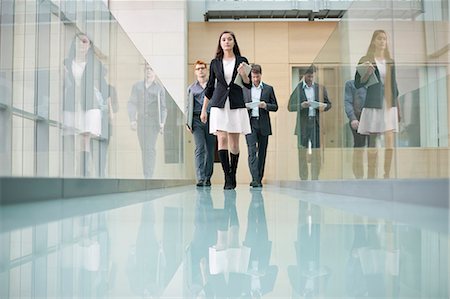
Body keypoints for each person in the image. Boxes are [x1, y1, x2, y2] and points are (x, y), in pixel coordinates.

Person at [200, 31, 252, 190]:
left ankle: (233, 173)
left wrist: (244, 75)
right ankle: (227, 176)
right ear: (220, 43)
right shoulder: (215, 63)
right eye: (223, 39)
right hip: (219, 105)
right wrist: (204, 110)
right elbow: (209, 88)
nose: (227, 41)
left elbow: (248, 85)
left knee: (234, 143)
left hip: (236, 104)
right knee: (221, 140)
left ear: (234, 42)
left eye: (229, 39)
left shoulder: (242, 61)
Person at [354, 30, 400, 179]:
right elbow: (357, 83)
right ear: (374, 41)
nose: (382, 41)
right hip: (373, 104)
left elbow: (394, 85)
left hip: (389, 105)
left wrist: (398, 107)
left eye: (384, 39)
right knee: (373, 143)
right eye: (379, 38)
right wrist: (367, 72)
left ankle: (387, 174)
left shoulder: (390, 61)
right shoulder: (366, 59)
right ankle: (371, 175)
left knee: (389, 144)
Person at [63, 33, 108, 177]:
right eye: (79, 41)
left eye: (84, 42)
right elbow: (63, 84)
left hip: (89, 104)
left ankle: (83, 172)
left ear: (89, 45)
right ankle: (72, 172)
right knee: (70, 140)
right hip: (71, 104)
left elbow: (103, 84)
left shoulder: (95, 63)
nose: (81, 44)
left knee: (85, 139)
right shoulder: (67, 62)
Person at [288, 65, 332, 180]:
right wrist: (301, 106)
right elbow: (290, 106)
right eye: (308, 76)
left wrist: (322, 106)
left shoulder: (320, 88)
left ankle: (315, 178)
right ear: (304, 76)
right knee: (302, 152)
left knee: (316, 152)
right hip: (303, 124)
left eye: (312, 76)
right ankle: (303, 178)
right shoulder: (299, 88)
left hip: (316, 124)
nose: (311, 78)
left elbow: (329, 105)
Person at [128, 64, 167, 179]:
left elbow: (163, 107)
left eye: (151, 69)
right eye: (147, 69)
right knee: (144, 148)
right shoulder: (137, 87)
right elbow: (132, 103)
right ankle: (147, 174)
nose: (149, 71)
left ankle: (148, 176)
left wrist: (162, 122)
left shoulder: (159, 88)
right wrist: (132, 119)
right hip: (141, 121)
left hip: (153, 122)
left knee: (149, 148)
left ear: (155, 72)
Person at [243, 64, 278, 188]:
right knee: (252, 151)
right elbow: (239, 106)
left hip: (263, 124)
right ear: (250, 76)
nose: (256, 79)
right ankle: (255, 179)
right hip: (250, 123)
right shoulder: (245, 89)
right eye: (253, 77)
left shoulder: (268, 89)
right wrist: (246, 106)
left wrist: (266, 105)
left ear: (260, 75)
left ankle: (259, 178)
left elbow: (275, 106)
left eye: (257, 76)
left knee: (262, 152)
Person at [186, 60, 216, 187]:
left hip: (212, 119)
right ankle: (200, 177)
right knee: (200, 148)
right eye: (198, 69)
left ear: (207, 70)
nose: (201, 71)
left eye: (203, 68)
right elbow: (188, 106)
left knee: (210, 150)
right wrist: (188, 122)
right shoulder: (191, 88)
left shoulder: (213, 86)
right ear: (195, 72)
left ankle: (207, 177)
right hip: (197, 120)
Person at [344, 79, 368, 179]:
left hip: (372, 118)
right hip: (357, 119)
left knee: (373, 148)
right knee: (359, 148)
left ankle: (372, 176)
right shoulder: (351, 84)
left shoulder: (375, 84)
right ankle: (359, 176)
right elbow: (348, 102)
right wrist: (352, 118)